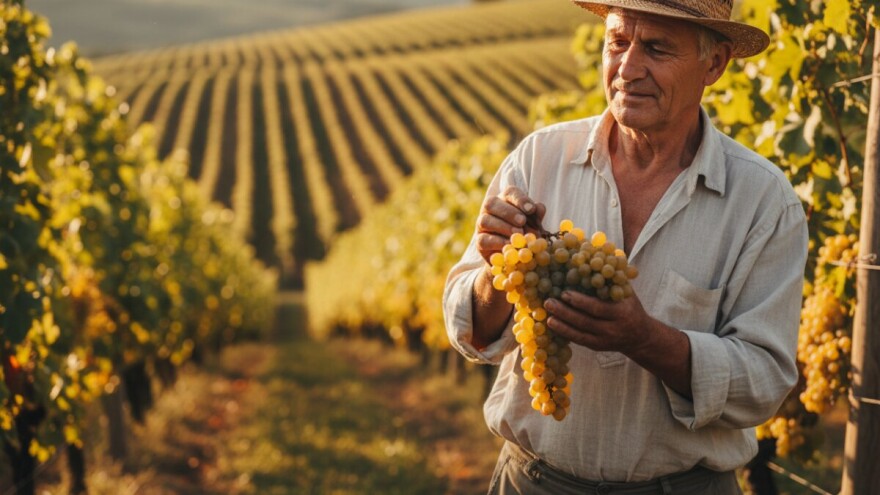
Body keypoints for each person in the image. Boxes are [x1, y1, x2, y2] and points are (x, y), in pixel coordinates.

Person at [442, 1, 809, 494]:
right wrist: (495, 273)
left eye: (656, 48)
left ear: (715, 64)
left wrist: (645, 340)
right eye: (617, 42)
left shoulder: (763, 202)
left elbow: (764, 381)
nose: (628, 68)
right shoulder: (539, 158)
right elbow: (466, 327)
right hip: (529, 482)